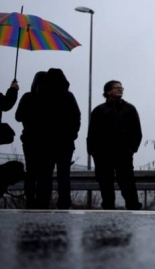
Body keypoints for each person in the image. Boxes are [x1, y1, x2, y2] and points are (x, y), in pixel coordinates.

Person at [87, 80, 143, 210]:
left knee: (127, 182)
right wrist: (93, 151)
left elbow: (137, 131)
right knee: (105, 183)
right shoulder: (99, 110)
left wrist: (132, 149)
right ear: (108, 91)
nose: (120, 89)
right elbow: (92, 133)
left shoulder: (129, 109)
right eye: (116, 87)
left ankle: (133, 207)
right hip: (103, 153)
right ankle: (108, 208)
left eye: (121, 87)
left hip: (123, 152)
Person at [33, 68, 81, 209]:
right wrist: (73, 134)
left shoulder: (40, 95)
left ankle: (42, 203)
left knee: (44, 174)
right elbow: (76, 116)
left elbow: (34, 118)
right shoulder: (68, 96)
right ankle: (64, 203)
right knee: (63, 174)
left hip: (44, 141)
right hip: (65, 142)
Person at [15, 71, 47, 208]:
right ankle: (41, 200)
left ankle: (30, 200)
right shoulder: (50, 98)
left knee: (31, 171)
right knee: (44, 172)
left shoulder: (28, 97)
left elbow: (18, 116)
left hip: (30, 139)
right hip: (46, 139)